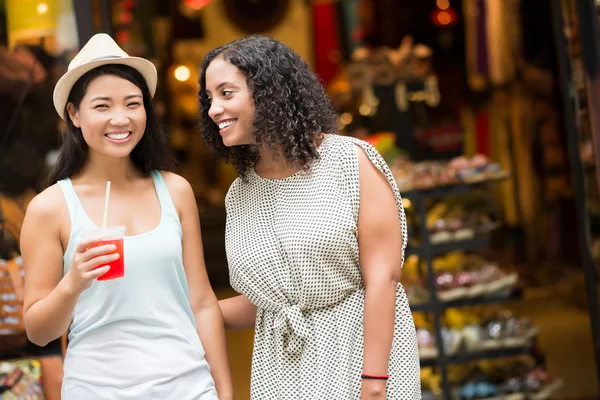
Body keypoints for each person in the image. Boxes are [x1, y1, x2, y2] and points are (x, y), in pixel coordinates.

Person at [199, 35, 421, 399]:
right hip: (283, 373)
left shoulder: (350, 161)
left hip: (360, 359)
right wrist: (185, 313)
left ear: (270, 91)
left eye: (226, 93)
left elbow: (383, 277)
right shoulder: (240, 194)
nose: (213, 110)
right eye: (209, 99)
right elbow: (276, 301)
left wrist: (375, 382)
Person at [20, 33, 233, 399]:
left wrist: (224, 392)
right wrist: (73, 283)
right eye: (102, 106)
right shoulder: (49, 208)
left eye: (132, 104)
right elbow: (38, 331)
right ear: (74, 113)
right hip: (96, 389)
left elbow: (201, 303)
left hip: (187, 385)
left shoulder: (175, 190)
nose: (120, 119)